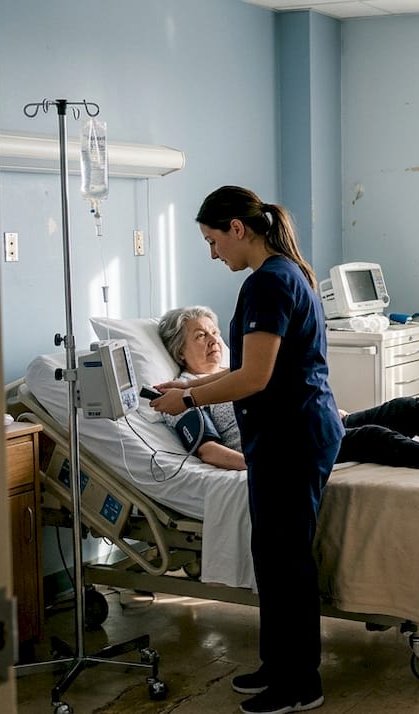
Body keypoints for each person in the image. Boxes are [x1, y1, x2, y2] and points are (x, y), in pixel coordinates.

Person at [150, 187, 341, 714]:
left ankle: (300, 684)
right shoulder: (286, 272)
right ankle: (278, 665)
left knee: (287, 563)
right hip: (288, 435)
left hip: (292, 438)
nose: (213, 253)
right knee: (273, 558)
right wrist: (182, 389)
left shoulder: (268, 283)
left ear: (238, 228)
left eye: (213, 241)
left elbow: (254, 378)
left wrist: (188, 396)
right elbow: (247, 371)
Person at [155, 305, 419, 474]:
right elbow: (208, 450)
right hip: (285, 451)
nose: (213, 340)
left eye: (215, 332)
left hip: (312, 424)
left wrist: (327, 410)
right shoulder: (182, 394)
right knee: (371, 437)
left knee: (401, 409)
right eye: (200, 336)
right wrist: (254, 465)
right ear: (179, 350)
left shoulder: (238, 370)